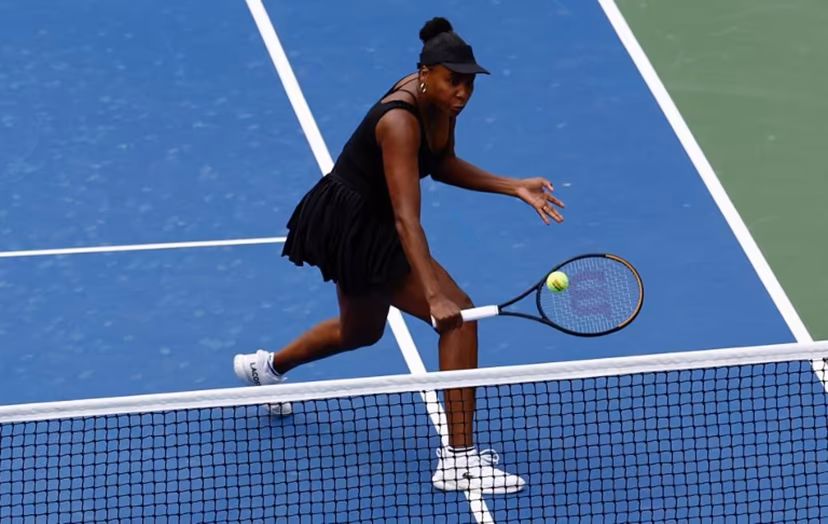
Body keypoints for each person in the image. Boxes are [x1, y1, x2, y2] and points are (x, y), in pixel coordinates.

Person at [233, 16, 564, 494]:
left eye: (469, 84)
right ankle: (459, 461)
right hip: (357, 223)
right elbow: (407, 220)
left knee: (361, 331)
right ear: (426, 73)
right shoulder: (399, 123)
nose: (462, 93)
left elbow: (442, 164)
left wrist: (512, 186)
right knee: (459, 319)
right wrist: (434, 297)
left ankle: (266, 368)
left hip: (366, 217)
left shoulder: (442, 105)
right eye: (454, 81)